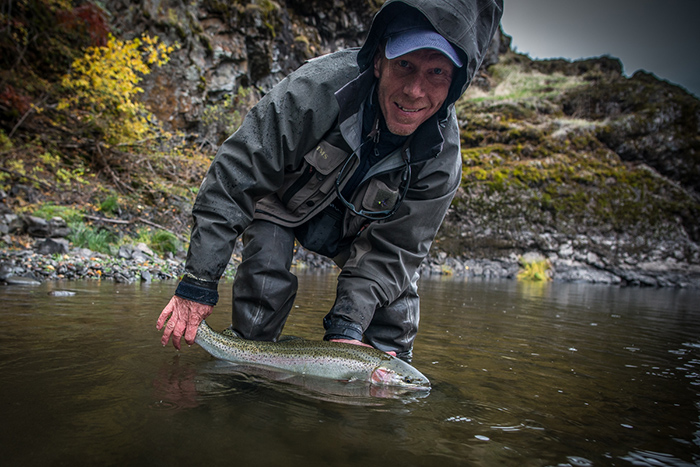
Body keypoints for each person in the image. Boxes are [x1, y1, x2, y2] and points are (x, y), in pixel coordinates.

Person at [157, 0, 504, 362]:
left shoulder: (441, 158)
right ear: (378, 61)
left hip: (363, 235)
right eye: (404, 65)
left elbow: (396, 251)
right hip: (282, 206)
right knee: (262, 296)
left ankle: (375, 406)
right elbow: (235, 176)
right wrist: (198, 283)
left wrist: (346, 331)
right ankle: (248, 384)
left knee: (393, 330)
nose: (415, 90)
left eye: (437, 73)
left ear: (454, 85)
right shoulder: (317, 89)